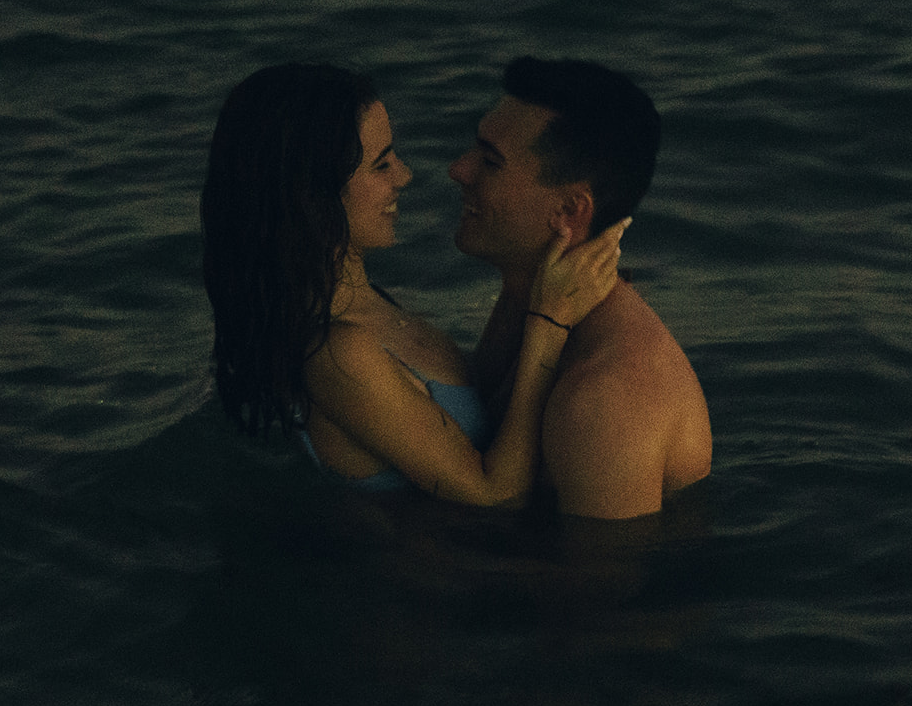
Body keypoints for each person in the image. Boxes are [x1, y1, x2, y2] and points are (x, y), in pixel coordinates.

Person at [201, 63, 627, 507]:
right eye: (381, 164)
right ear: (315, 194)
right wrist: (548, 323)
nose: (404, 175)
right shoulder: (339, 354)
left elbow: (463, 404)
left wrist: (525, 281)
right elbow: (494, 494)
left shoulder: (365, 304)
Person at [449, 57, 712, 519]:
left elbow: (598, 588)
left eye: (490, 161)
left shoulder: (604, 402)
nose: (459, 170)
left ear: (571, 209)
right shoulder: (526, 302)